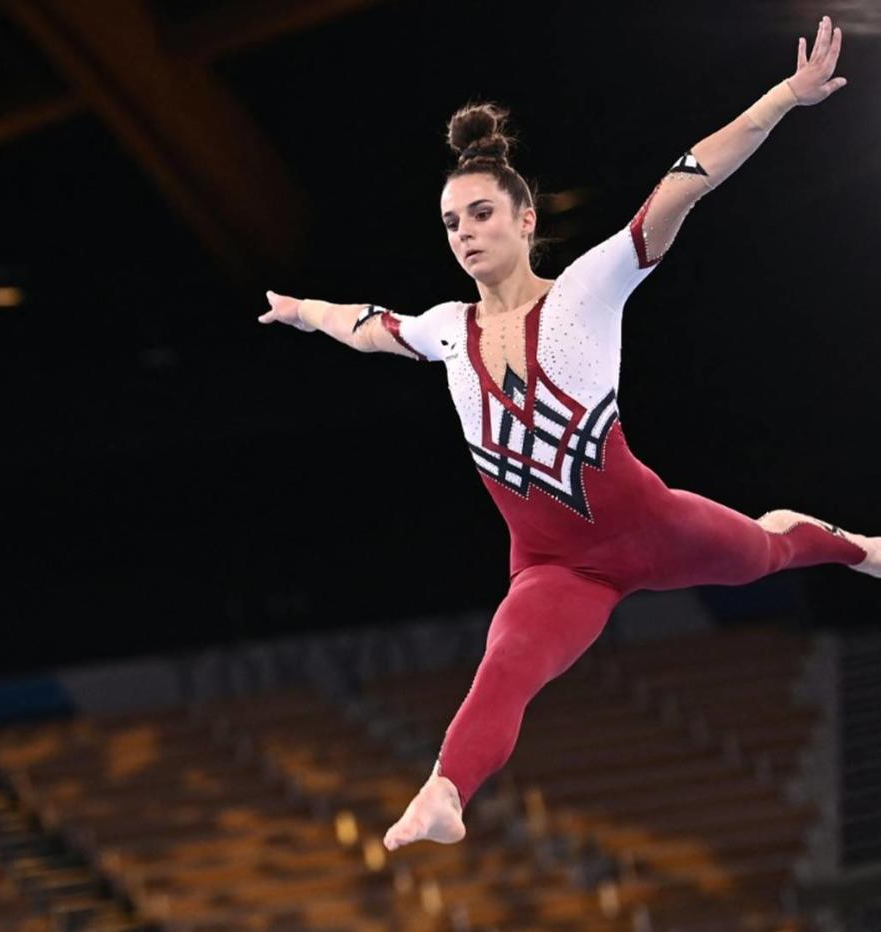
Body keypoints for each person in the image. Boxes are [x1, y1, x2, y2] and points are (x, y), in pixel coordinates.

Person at [258, 15, 876, 851]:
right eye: (450, 223)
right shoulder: (448, 330)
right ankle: (445, 790)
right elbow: (368, 324)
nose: (465, 232)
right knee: (507, 659)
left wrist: (784, 99)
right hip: (555, 566)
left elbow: (686, 181)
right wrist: (301, 313)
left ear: (523, 218)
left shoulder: (588, 289)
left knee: (767, 553)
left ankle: (863, 547)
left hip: (651, 529)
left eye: (480, 214)